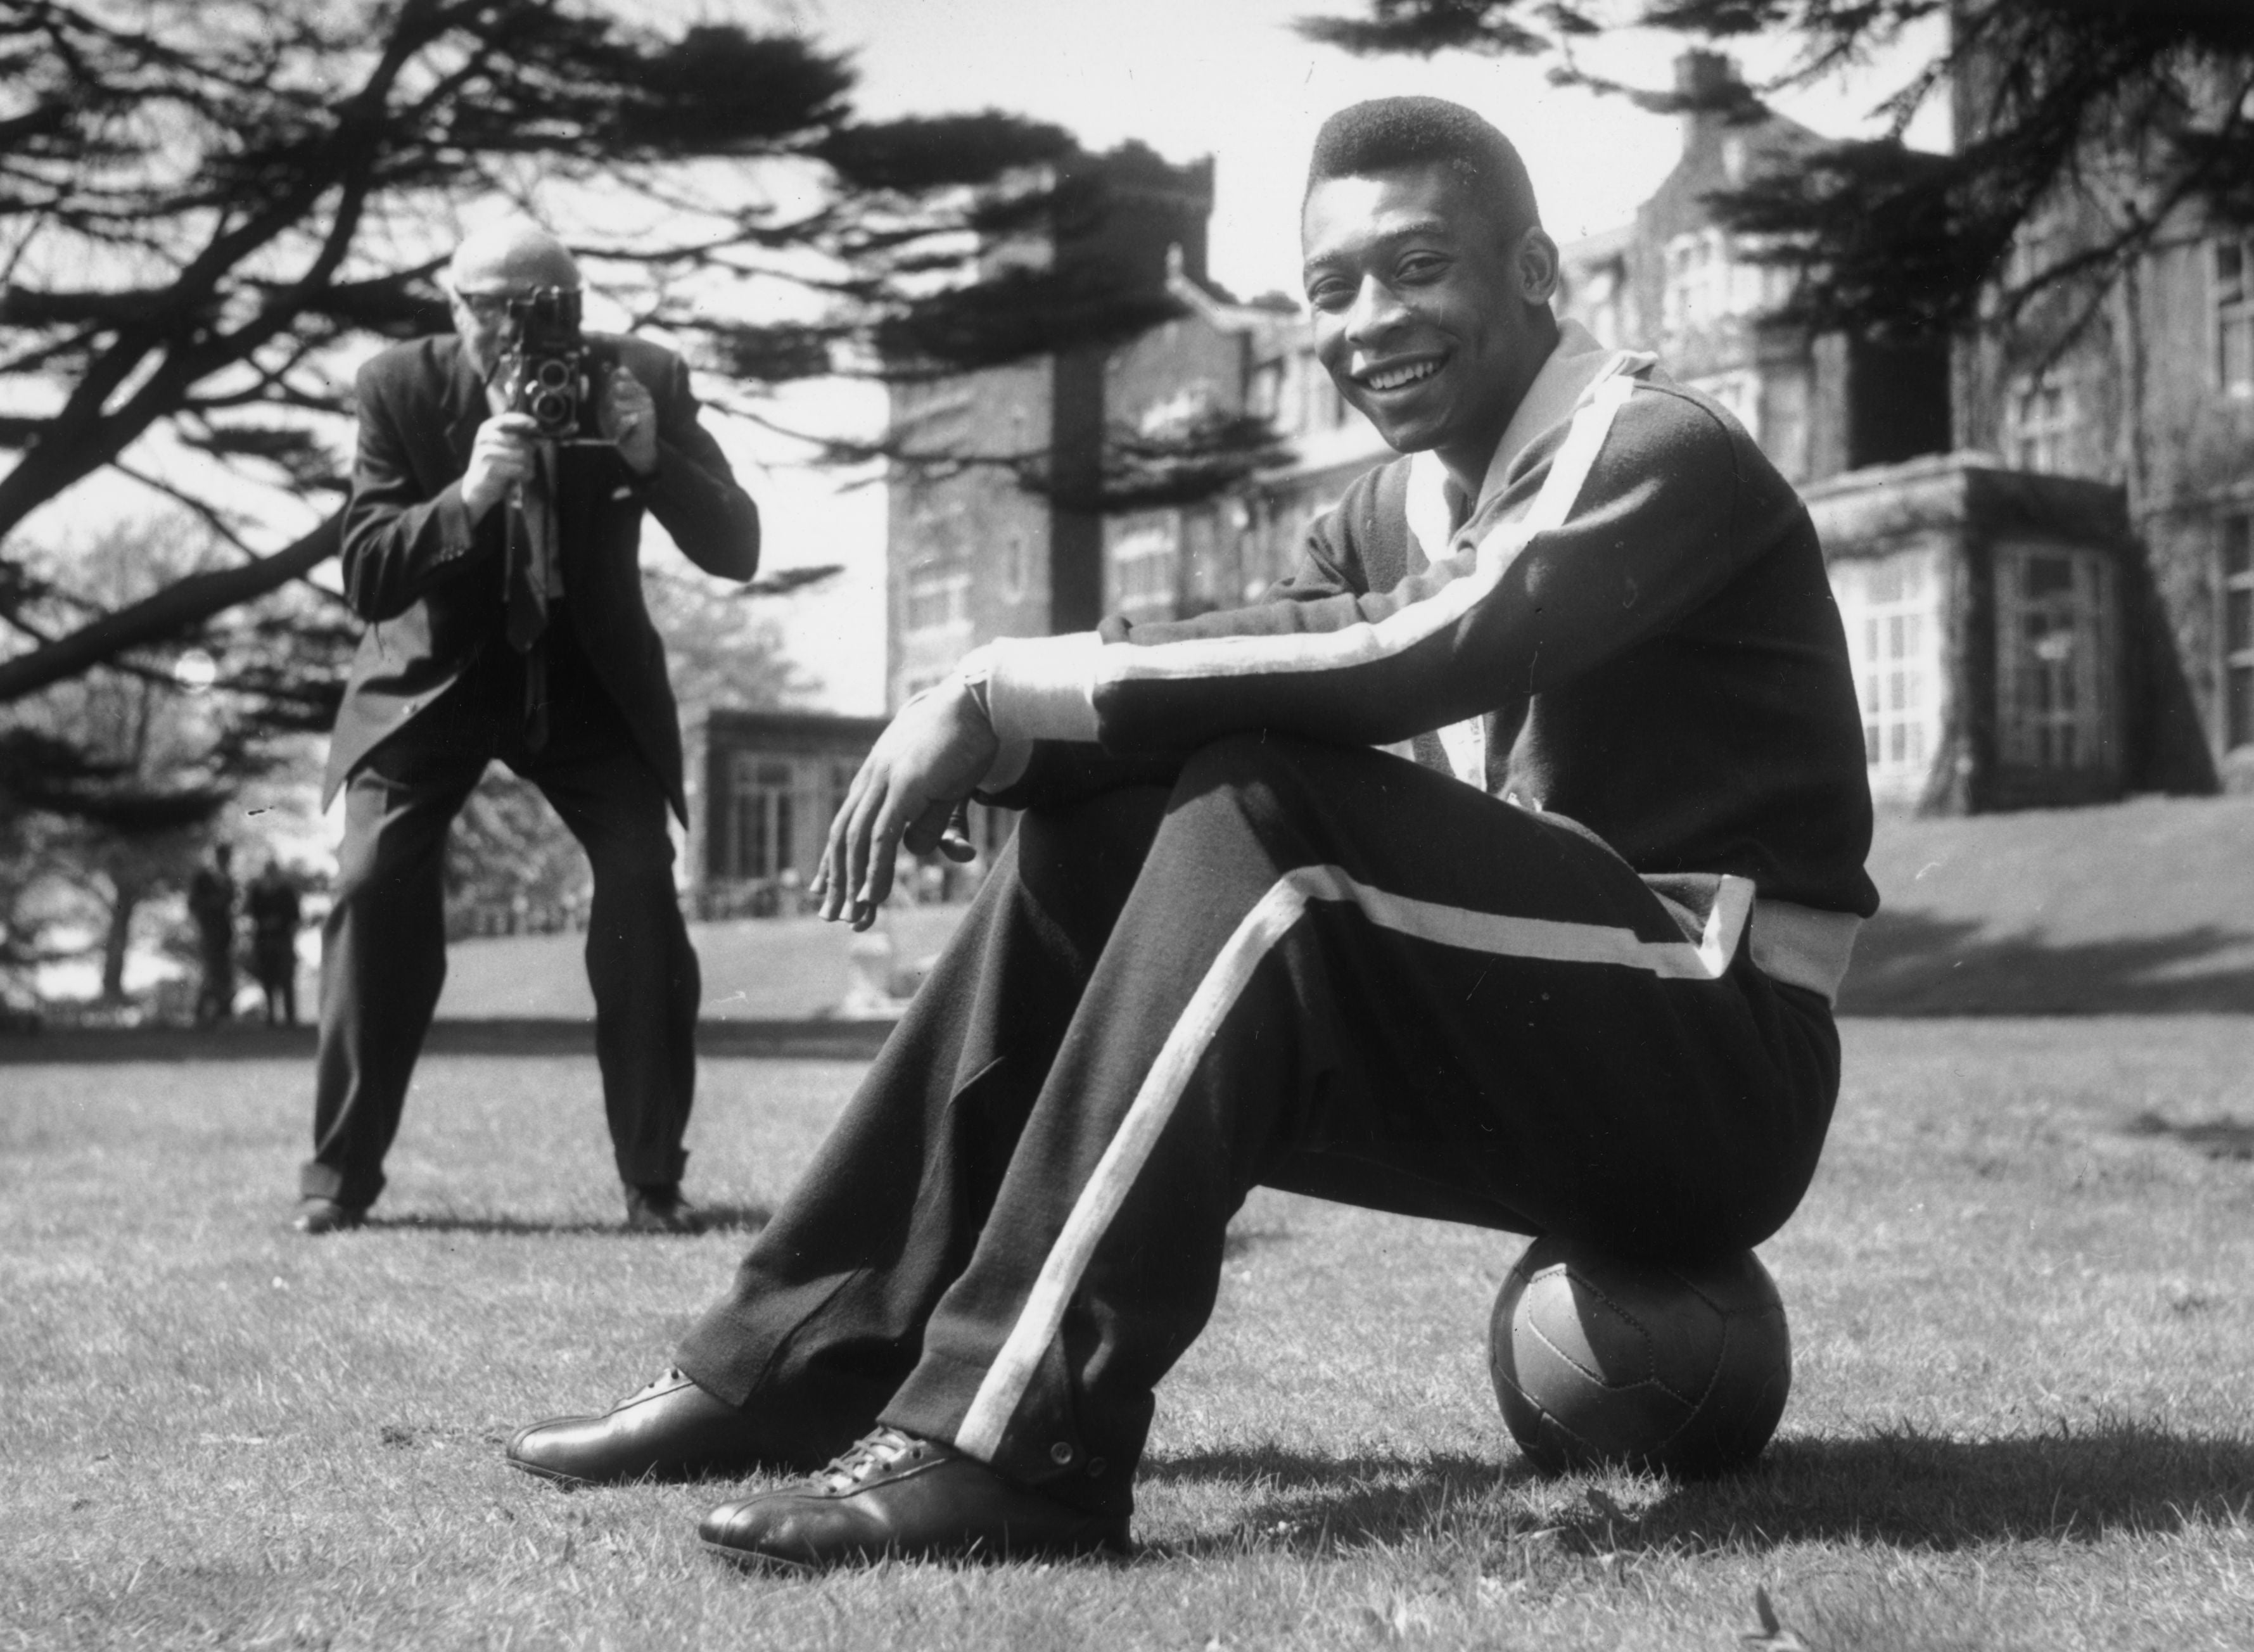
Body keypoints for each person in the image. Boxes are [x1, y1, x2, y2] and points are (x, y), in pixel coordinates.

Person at [505, 98, 1876, 1569]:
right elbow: (1256, 666)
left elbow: (1419, 645)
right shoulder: (1372, 511)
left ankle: (1014, 1440)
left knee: (1261, 816)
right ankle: (792, 1357)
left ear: (1536, 271)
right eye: (1331, 290)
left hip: (1717, 1060)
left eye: (1417, 268)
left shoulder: (1661, 446)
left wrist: (1000, 683)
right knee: (1106, 830)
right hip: (1513, 1034)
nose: (1368, 322)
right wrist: (1033, 759)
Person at [295, 223, 760, 1238]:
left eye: (553, 310)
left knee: (640, 879)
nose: (526, 335)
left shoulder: (640, 377)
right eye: (501, 311)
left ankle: (652, 1182)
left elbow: (738, 546)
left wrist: (650, 456)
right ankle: (338, 1179)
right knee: (374, 883)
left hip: (582, 678)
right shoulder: (399, 387)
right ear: (456, 309)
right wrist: (464, 497)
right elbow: (367, 575)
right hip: (435, 679)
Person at [246, 856, 303, 1027]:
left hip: (282, 939)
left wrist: (280, 922)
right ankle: (270, 1016)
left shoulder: (286, 891)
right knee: (267, 979)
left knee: (287, 979)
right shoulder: (257, 891)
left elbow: (295, 916)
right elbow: (251, 913)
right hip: (264, 940)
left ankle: (290, 1017)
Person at [187, 843, 238, 1027]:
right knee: (211, 975)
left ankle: (221, 1016)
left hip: (225, 935)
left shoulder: (229, 881)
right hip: (209, 933)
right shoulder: (203, 878)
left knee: (224, 976)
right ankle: (202, 1016)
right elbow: (194, 904)